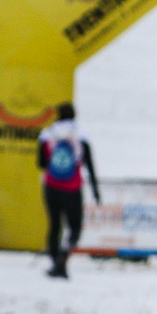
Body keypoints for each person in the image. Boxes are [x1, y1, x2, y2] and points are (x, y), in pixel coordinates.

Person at [36, 102, 100, 279]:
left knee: (55, 225)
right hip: (72, 188)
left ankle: (55, 263)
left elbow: (41, 163)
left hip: (51, 186)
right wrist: (95, 190)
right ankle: (62, 260)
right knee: (75, 228)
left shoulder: (48, 134)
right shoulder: (80, 135)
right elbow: (89, 165)